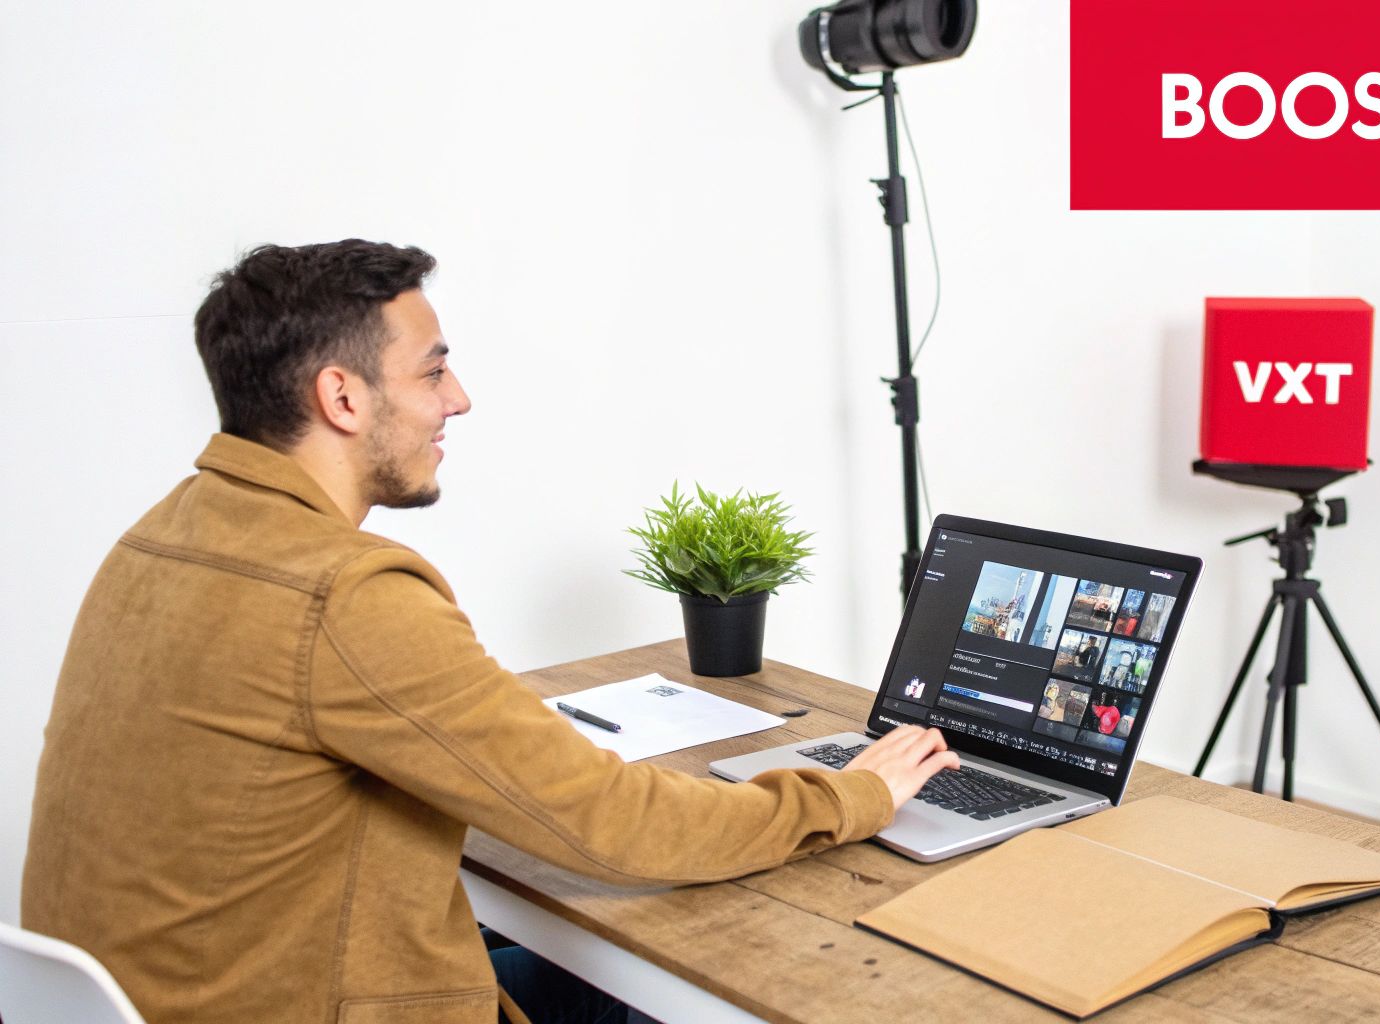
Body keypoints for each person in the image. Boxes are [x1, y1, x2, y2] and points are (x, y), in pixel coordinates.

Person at [21, 240, 959, 1024]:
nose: (458, 398)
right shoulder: (342, 594)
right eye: (432, 369)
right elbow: (613, 827)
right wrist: (850, 796)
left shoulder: (159, 538)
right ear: (342, 398)